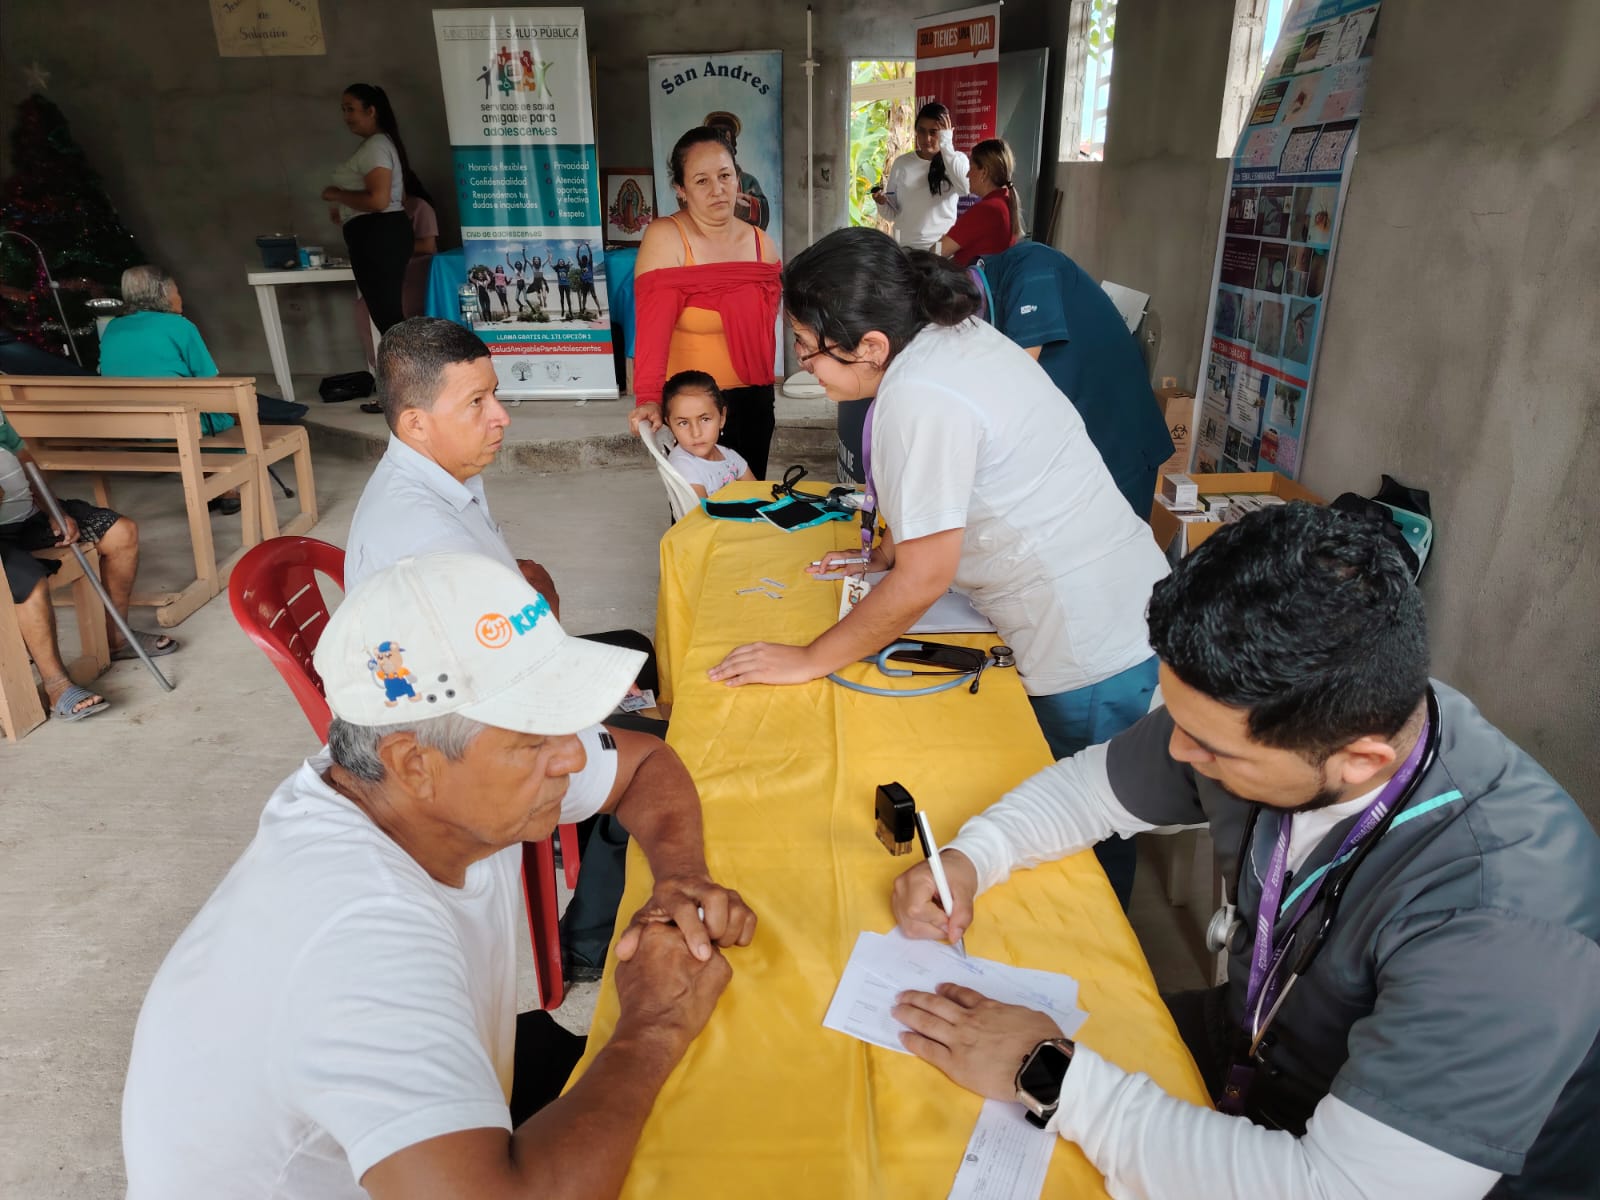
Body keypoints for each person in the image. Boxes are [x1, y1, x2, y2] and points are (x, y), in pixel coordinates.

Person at [887, 503, 1600, 1200]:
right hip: (1250, 1050)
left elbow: (1341, 1187)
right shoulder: (1288, 711)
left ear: (1359, 760)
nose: (1177, 751)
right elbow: (1092, 789)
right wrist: (974, 856)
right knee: (916, 1090)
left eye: (1210, 748)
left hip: (1349, 1154)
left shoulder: (1505, 922)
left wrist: (1046, 1073)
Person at [122, 551, 756, 1198]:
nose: (572, 754)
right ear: (413, 763)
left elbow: (645, 763)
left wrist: (679, 877)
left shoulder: (414, 783)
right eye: (535, 738)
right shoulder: (360, 941)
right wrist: (655, 1022)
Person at [709, 228, 1168, 907]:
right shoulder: (950, 336)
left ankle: (1103, 955)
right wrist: (893, 550)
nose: (803, 365)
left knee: (1086, 848)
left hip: (1091, 644)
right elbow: (966, 481)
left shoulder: (919, 392)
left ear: (871, 346)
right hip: (1113, 603)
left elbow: (924, 580)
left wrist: (809, 658)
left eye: (807, 348)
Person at [346, 317, 665, 980]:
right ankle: (587, 940)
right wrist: (589, 693)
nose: (501, 416)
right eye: (477, 402)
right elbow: (499, 688)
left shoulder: (438, 472)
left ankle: (585, 832)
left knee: (635, 650)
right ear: (415, 423)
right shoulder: (421, 535)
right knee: (666, 742)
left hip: (486, 674)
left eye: (494, 394)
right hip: (471, 731)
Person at [974, 241, 1174, 518]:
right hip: (1078, 451)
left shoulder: (1032, 269)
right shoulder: (987, 292)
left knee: (1113, 536)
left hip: (1116, 443)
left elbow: (1016, 387)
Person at [0, 410, 179, 720]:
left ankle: (116, 638)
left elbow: (23, 456)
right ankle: (57, 686)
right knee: (29, 583)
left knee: (121, 533)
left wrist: (53, 509)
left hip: (29, 514)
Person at [628, 127, 781, 478]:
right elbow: (651, 329)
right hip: (693, 411)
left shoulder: (761, 244)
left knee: (750, 501)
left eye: (725, 176)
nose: (717, 189)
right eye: (701, 181)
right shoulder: (667, 237)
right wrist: (648, 397)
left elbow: (766, 331)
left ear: (738, 177)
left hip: (754, 403)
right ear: (680, 189)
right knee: (696, 506)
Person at [100, 264, 308, 513]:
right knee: (228, 409)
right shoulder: (180, 326)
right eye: (176, 290)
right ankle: (226, 486)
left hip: (133, 424)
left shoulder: (112, 328)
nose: (180, 297)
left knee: (200, 411)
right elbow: (211, 381)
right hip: (177, 423)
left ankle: (213, 484)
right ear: (162, 293)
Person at [322, 84, 414, 335]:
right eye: (343, 110)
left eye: (350, 109)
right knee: (387, 316)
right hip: (378, 232)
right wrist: (347, 209)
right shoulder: (379, 144)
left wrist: (337, 194)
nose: (346, 116)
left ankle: (410, 360)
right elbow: (396, 197)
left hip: (378, 234)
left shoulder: (376, 146)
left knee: (388, 317)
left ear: (371, 110)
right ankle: (406, 359)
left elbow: (379, 201)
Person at [870, 102, 970, 250]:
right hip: (905, 248)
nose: (927, 138)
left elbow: (965, 188)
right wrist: (881, 203)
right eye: (921, 131)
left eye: (934, 132)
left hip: (940, 249)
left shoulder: (956, 160)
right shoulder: (902, 163)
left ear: (946, 133)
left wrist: (946, 144)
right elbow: (892, 214)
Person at [662, 370, 755, 498]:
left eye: (705, 419)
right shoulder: (683, 465)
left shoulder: (730, 457)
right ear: (670, 425)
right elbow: (702, 510)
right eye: (683, 423)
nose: (696, 433)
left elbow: (758, 494)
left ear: (722, 418)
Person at [939, 138, 1023, 266]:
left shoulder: (986, 210)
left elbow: (939, 251)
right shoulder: (1005, 202)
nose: (967, 175)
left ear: (984, 172)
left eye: (971, 167)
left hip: (972, 278)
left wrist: (940, 242)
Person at [702, 109, 770, 230]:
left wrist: (746, 207)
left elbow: (763, 212)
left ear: (732, 148)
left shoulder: (747, 180)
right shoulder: (701, 179)